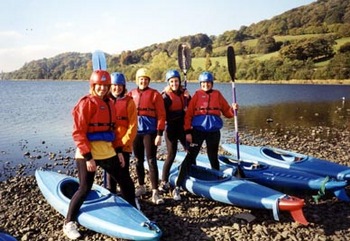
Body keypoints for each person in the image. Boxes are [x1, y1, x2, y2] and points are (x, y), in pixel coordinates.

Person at [63, 70, 129, 240]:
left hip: (107, 151)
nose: (102, 89)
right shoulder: (86, 103)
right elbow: (78, 133)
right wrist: (87, 157)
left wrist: (119, 151)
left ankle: (134, 211)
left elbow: (113, 131)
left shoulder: (110, 104)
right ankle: (69, 222)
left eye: (106, 86)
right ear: (93, 86)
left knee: (126, 182)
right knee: (84, 188)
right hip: (88, 153)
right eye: (99, 85)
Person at [174, 71, 238, 200]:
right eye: (203, 83)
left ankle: (217, 179)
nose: (205, 85)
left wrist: (234, 109)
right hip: (198, 131)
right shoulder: (197, 96)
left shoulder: (218, 95)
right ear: (200, 84)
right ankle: (178, 186)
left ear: (211, 83)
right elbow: (188, 115)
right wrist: (187, 132)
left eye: (208, 83)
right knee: (191, 156)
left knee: (213, 156)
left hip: (213, 132)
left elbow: (227, 112)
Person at [128, 68, 166, 205]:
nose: (143, 81)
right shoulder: (131, 94)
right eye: (141, 79)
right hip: (135, 133)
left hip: (150, 132)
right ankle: (142, 186)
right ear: (137, 80)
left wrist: (159, 134)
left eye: (145, 79)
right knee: (138, 160)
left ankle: (155, 191)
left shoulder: (155, 95)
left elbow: (161, 115)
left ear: (148, 81)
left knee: (151, 161)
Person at [105, 72, 138, 208]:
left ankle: (130, 199)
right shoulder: (105, 101)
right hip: (108, 144)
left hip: (123, 145)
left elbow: (133, 126)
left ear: (123, 87)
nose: (117, 88)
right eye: (114, 85)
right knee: (109, 173)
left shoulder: (129, 102)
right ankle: (111, 196)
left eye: (119, 85)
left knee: (123, 174)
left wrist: (123, 143)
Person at [159, 69, 190, 201]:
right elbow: (162, 114)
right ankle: (164, 182)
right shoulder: (165, 97)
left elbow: (191, 107)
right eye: (172, 81)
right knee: (171, 155)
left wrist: (188, 99)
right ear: (169, 83)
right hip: (171, 129)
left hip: (183, 128)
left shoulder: (185, 93)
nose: (174, 83)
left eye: (176, 81)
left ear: (179, 81)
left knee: (190, 151)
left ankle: (186, 175)